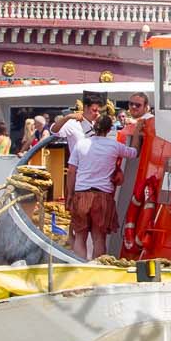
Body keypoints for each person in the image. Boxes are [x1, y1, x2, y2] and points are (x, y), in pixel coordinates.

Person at [60, 94, 145, 260]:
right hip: (103, 197)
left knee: (80, 237)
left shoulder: (81, 144)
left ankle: (80, 267)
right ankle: (97, 268)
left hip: (81, 194)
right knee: (99, 238)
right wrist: (136, 131)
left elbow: (71, 172)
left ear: (94, 127)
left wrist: (69, 195)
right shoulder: (114, 146)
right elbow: (134, 153)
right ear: (108, 129)